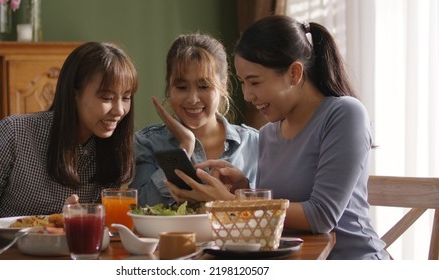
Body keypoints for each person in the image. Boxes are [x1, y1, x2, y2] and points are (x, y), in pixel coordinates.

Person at [165, 16, 390, 260]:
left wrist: (231, 203)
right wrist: (243, 190)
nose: (248, 95)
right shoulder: (268, 134)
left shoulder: (344, 114)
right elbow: (275, 216)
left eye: (255, 82)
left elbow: (321, 217)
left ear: (294, 73)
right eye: (242, 83)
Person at [0, 42, 138, 251]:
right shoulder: (15, 133)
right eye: (107, 98)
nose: (119, 110)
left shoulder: (110, 149)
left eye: (126, 97)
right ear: (74, 93)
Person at [131, 33, 259, 207]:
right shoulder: (147, 143)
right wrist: (185, 146)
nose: (192, 99)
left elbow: (270, 212)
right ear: (169, 87)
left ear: (223, 85)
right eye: (182, 87)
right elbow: (139, 207)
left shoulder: (255, 142)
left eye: (204, 86)